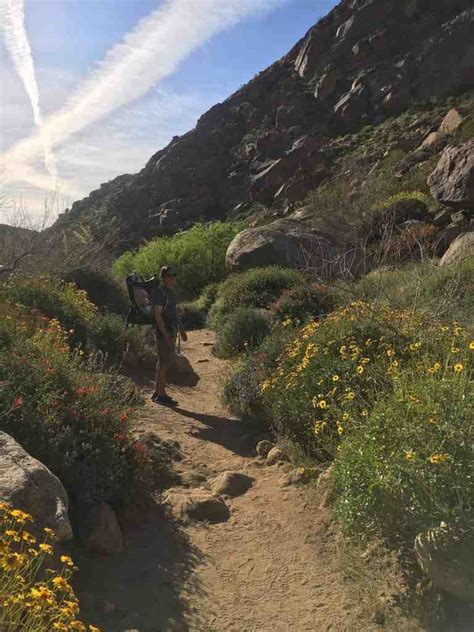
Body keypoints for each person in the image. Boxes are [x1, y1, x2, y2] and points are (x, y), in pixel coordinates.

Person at [151, 265, 187, 405]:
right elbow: (157, 315)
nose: (173, 278)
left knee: (163, 361)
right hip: (163, 331)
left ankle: (157, 391)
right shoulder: (160, 293)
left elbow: (174, 312)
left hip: (171, 330)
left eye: (174, 275)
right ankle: (161, 395)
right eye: (170, 275)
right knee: (165, 362)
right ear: (163, 277)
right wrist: (165, 335)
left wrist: (182, 329)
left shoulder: (170, 292)